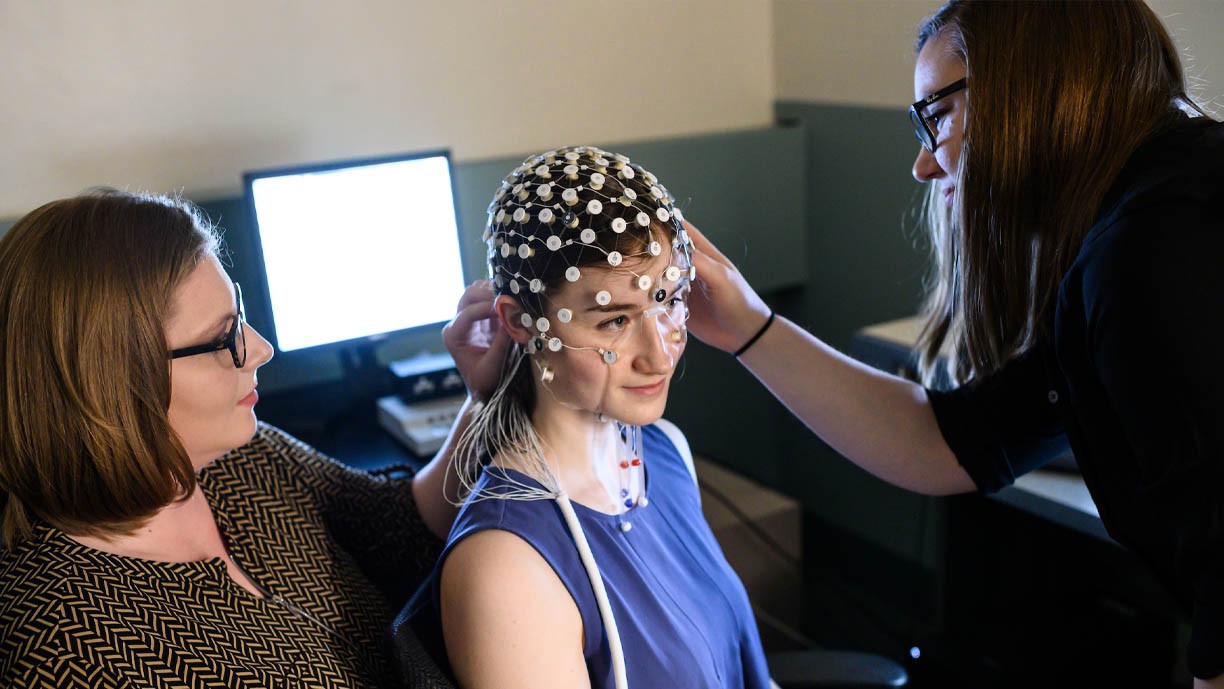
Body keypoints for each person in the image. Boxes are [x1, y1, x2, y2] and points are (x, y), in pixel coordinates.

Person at [680, 0, 1224, 685]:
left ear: (1024, 88)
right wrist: (746, 325)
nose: (923, 165)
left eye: (933, 117)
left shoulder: (1157, 249)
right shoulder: (1129, 230)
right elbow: (953, 441)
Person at [0, 188, 474, 688]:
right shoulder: (62, 651)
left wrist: (483, 395)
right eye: (225, 337)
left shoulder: (244, 457)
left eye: (241, 317)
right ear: (114, 384)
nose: (261, 350)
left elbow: (395, 523)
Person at [435, 146, 772, 689]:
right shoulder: (505, 568)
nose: (659, 355)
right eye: (615, 321)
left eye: (667, 300)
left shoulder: (663, 449)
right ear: (520, 321)